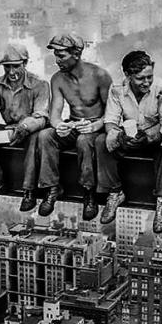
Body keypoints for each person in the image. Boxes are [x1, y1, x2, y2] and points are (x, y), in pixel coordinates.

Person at [37, 33, 112, 220]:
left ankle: (89, 193)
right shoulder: (58, 79)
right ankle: (52, 187)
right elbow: (55, 113)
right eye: (55, 55)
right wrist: (59, 125)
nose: (57, 60)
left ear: (76, 54)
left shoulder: (100, 76)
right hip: (74, 124)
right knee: (45, 136)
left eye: (61, 55)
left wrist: (96, 125)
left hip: (96, 127)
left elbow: (112, 113)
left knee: (84, 141)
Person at [96, 50, 162, 230]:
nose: (146, 82)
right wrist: (118, 135)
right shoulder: (117, 89)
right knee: (101, 142)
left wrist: (149, 137)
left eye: (149, 77)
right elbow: (110, 120)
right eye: (140, 78)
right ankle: (115, 192)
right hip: (129, 135)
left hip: (154, 135)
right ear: (127, 75)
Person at [0, 43, 50, 211]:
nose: (11, 72)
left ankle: (28, 190)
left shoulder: (39, 84)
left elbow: (41, 116)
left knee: (35, 140)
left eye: (16, 66)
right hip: (9, 130)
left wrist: (24, 128)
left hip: (31, 129)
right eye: (7, 67)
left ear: (25, 63)